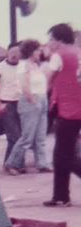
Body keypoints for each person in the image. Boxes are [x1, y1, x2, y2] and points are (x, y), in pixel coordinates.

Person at [43, 23, 81, 206]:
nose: (49, 43)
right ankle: (61, 196)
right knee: (66, 154)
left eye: (51, 39)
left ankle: (61, 196)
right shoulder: (79, 53)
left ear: (59, 40)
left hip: (68, 111)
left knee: (63, 155)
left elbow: (47, 81)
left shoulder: (58, 56)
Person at [5, 40, 52, 175]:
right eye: (37, 50)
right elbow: (24, 85)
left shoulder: (36, 65)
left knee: (40, 136)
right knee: (27, 137)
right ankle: (12, 163)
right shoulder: (23, 66)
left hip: (42, 99)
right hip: (30, 101)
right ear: (31, 51)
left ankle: (42, 163)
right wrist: (32, 100)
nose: (40, 52)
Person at [0, 43, 22, 168]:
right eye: (12, 52)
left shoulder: (23, 67)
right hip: (6, 105)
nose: (14, 55)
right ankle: (11, 165)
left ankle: (15, 164)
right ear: (7, 53)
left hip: (21, 104)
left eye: (17, 52)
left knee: (19, 137)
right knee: (14, 137)